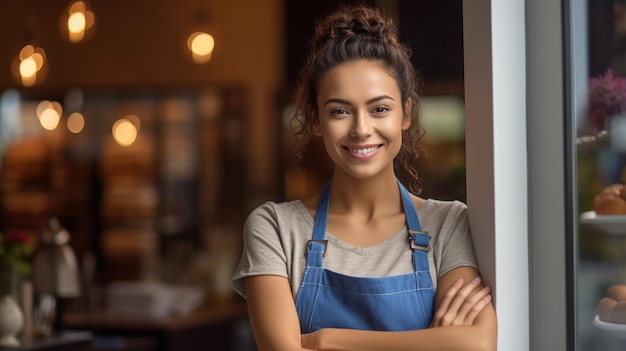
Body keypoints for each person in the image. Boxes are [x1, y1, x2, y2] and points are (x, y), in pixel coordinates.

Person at [231, 4, 497, 350]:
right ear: (315, 120)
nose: (361, 128)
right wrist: (432, 341)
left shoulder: (448, 223)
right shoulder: (275, 228)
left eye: (379, 109)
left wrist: (326, 340)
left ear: (406, 113)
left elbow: (476, 343)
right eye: (339, 111)